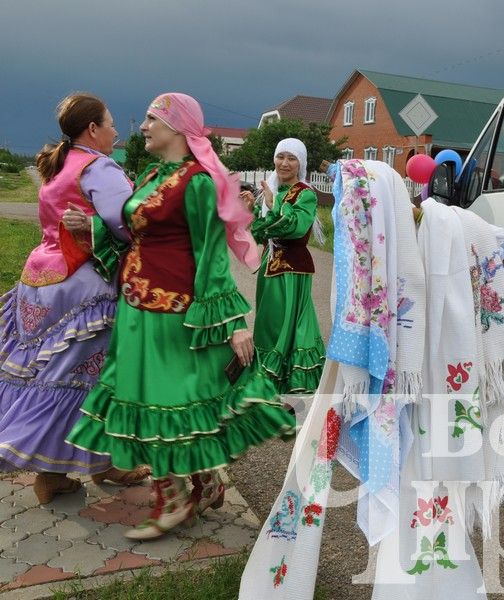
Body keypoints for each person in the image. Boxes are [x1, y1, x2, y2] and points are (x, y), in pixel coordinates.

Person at [65, 93, 296, 540]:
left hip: (172, 315)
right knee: (136, 400)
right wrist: (92, 228)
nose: (143, 126)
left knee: (164, 405)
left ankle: (171, 499)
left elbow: (210, 259)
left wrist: (233, 323)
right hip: (135, 311)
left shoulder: (198, 183)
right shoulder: (152, 174)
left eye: (152, 119)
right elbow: (136, 235)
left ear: (176, 126)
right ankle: (205, 483)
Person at [0, 93, 149, 504]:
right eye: (112, 124)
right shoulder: (99, 168)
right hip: (85, 286)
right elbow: (128, 224)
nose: (118, 132)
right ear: (93, 130)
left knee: (49, 375)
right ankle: (95, 466)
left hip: (39, 280)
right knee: (91, 378)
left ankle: (74, 469)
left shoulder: (58, 164)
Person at [239, 138, 324, 395]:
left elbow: (295, 229)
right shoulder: (272, 191)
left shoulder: (305, 193)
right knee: (269, 323)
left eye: (291, 158)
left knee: (285, 324)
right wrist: (251, 211)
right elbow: (260, 236)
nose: (284, 163)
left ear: (301, 164)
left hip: (291, 270)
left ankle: (287, 386)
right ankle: (271, 385)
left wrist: (272, 205)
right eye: (280, 157)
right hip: (270, 268)